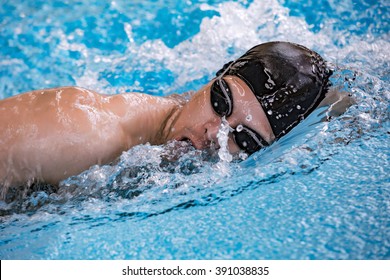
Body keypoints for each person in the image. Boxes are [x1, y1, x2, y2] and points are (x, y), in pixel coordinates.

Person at [0, 41, 345, 197]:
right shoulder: (85, 129)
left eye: (244, 140)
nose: (214, 132)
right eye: (221, 101)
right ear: (211, 79)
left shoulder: (178, 123)